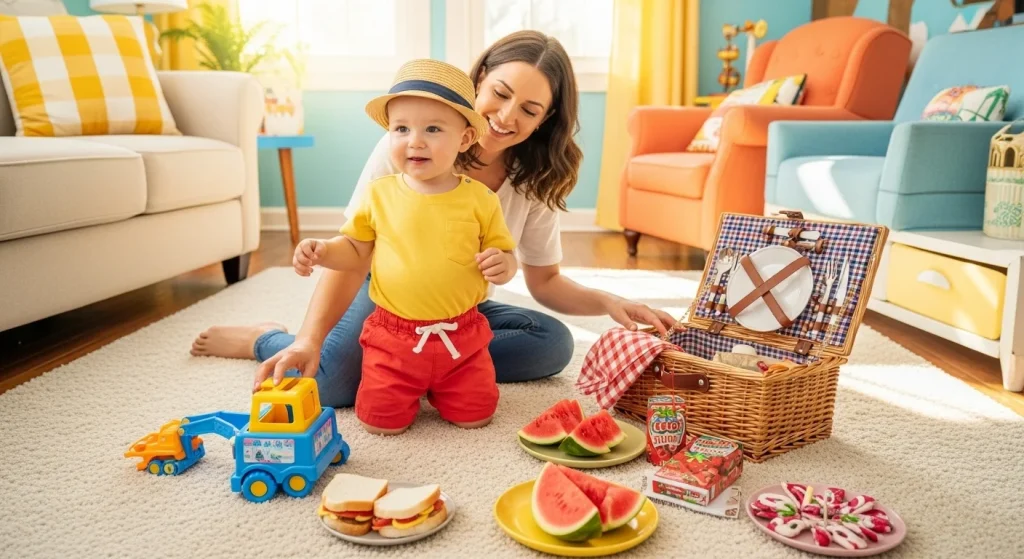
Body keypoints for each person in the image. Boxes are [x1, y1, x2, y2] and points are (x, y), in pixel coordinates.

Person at [190, 30, 677, 408]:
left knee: (551, 345)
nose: (505, 117)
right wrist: (308, 338)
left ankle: (422, 368)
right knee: (334, 384)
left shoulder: (534, 177)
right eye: (500, 93)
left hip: (456, 311)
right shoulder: (412, 143)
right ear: (479, 78)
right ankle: (266, 337)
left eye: (529, 110)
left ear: (545, 120)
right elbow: (356, 254)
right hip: (388, 298)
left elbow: (545, 282)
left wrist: (610, 301)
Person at [292, 59, 517, 434]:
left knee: (477, 417)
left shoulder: (480, 200)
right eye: (401, 129)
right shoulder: (379, 194)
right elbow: (355, 249)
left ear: (464, 139)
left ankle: (446, 387)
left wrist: (504, 265)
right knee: (381, 424)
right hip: (392, 337)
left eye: (432, 128)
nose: (415, 140)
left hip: (462, 338)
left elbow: (505, 253)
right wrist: (324, 250)